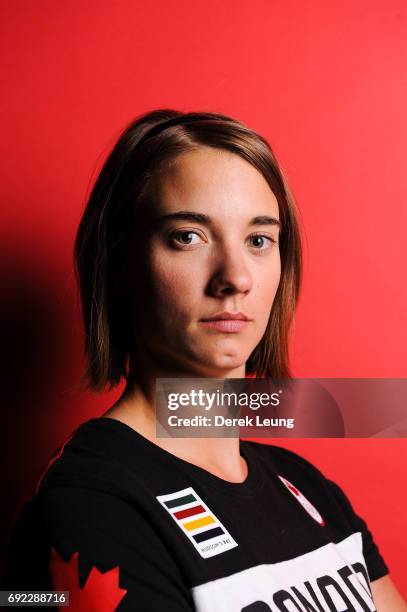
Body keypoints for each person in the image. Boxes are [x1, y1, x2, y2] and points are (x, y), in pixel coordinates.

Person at [3, 109, 406, 611]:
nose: (235, 278)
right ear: (121, 262)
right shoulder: (92, 504)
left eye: (259, 240)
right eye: (187, 236)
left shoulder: (305, 486)